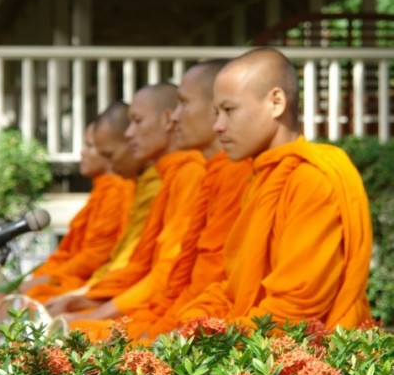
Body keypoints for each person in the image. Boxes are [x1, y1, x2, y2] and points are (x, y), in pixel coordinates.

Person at [177, 47, 373, 331]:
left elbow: (298, 308)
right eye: (216, 113)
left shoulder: (311, 179)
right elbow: (237, 286)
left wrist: (217, 335)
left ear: (276, 102)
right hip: (253, 336)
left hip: (302, 358)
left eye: (229, 110)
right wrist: (193, 321)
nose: (218, 126)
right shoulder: (262, 178)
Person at [48, 82, 206, 331]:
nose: (129, 133)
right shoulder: (170, 178)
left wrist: (95, 308)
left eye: (138, 121)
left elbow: (167, 273)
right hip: (148, 301)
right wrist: (84, 297)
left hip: (182, 311)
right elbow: (137, 264)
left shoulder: (191, 175)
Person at [120, 59, 252, 344]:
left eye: (184, 103)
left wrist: (155, 335)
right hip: (178, 313)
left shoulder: (228, 173)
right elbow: (177, 277)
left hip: (225, 330)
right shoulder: (206, 173)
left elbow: (216, 280)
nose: (176, 117)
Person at [21, 102, 139, 302]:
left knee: (36, 299)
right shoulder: (103, 190)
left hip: (93, 282)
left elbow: (97, 255)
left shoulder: (117, 189)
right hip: (84, 280)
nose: (82, 152)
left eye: (90, 146)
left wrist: (49, 278)